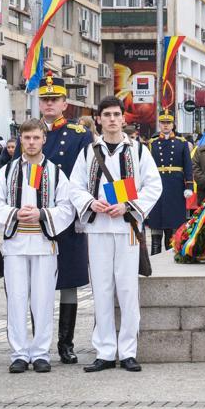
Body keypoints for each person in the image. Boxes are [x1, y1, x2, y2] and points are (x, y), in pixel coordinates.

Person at [71, 96, 162, 373]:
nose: (112, 119)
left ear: (124, 119)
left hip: (127, 228)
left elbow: (153, 186)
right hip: (98, 227)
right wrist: (90, 202)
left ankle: (129, 351)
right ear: (98, 119)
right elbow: (74, 187)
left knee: (127, 290)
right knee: (101, 289)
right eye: (106, 115)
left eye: (116, 114)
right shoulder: (88, 152)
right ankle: (105, 351)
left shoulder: (137, 150)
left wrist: (128, 206)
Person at [0, 119, 76, 373]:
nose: (32, 143)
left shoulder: (56, 172)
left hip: (44, 243)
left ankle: (40, 352)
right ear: (20, 140)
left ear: (44, 139)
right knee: (16, 299)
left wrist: (42, 214)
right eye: (27, 138)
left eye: (36, 138)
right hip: (15, 244)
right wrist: (13, 213)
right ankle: (19, 353)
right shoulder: (8, 171)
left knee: (43, 300)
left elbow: (67, 207)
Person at [37, 74, 92, 365]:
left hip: (69, 215)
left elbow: (88, 174)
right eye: (45, 99)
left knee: (69, 280)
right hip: (37, 217)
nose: (49, 104)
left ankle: (66, 343)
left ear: (64, 103)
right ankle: (39, 343)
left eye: (54, 99)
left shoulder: (79, 134)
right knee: (38, 282)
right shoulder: (30, 132)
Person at [147, 112, 193, 255]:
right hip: (157, 185)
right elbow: (147, 167)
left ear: (173, 125)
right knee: (156, 222)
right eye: (163, 122)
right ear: (159, 124)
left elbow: (188, 166)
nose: (165, 125)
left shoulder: (182, 142)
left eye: (168, 123)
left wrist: (189, 186)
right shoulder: (152, 143)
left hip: (175, 186)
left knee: (172, 224)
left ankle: (169, 254)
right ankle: (155, 255)